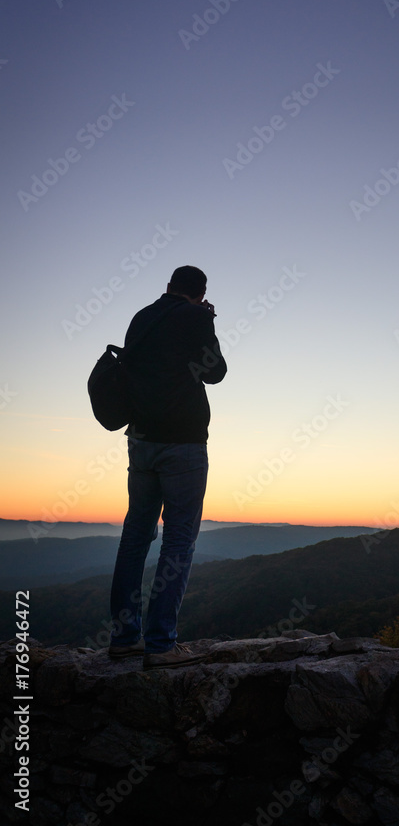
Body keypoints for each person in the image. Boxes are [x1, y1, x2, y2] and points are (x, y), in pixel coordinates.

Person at [107, 265, 227, 669]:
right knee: (178, 541)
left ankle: (124, 638)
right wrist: (206, 319)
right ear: (200, 293)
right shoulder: (196, 317)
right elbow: (216, 372)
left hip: (140, 440)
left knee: (135, 537)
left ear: (170, 286)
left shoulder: (142, 316)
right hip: (183, 443)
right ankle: (161, 645)